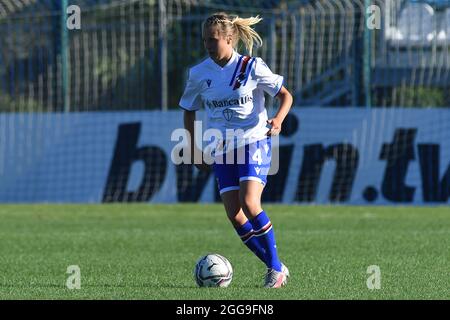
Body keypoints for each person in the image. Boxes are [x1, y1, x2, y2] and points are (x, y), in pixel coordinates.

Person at [179, 12, 293, 288]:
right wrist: (193, 149)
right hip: (222, 146)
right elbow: (188, 111)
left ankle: (275, 271)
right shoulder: (198, 74)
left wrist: (277, 119)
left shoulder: (251, 66)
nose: (208, 45)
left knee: (250, 202)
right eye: (205, 40)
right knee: (234, 213)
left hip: (254, 139)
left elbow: (285, 96)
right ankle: (274, 265)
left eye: (213, 40)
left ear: (229, 39)